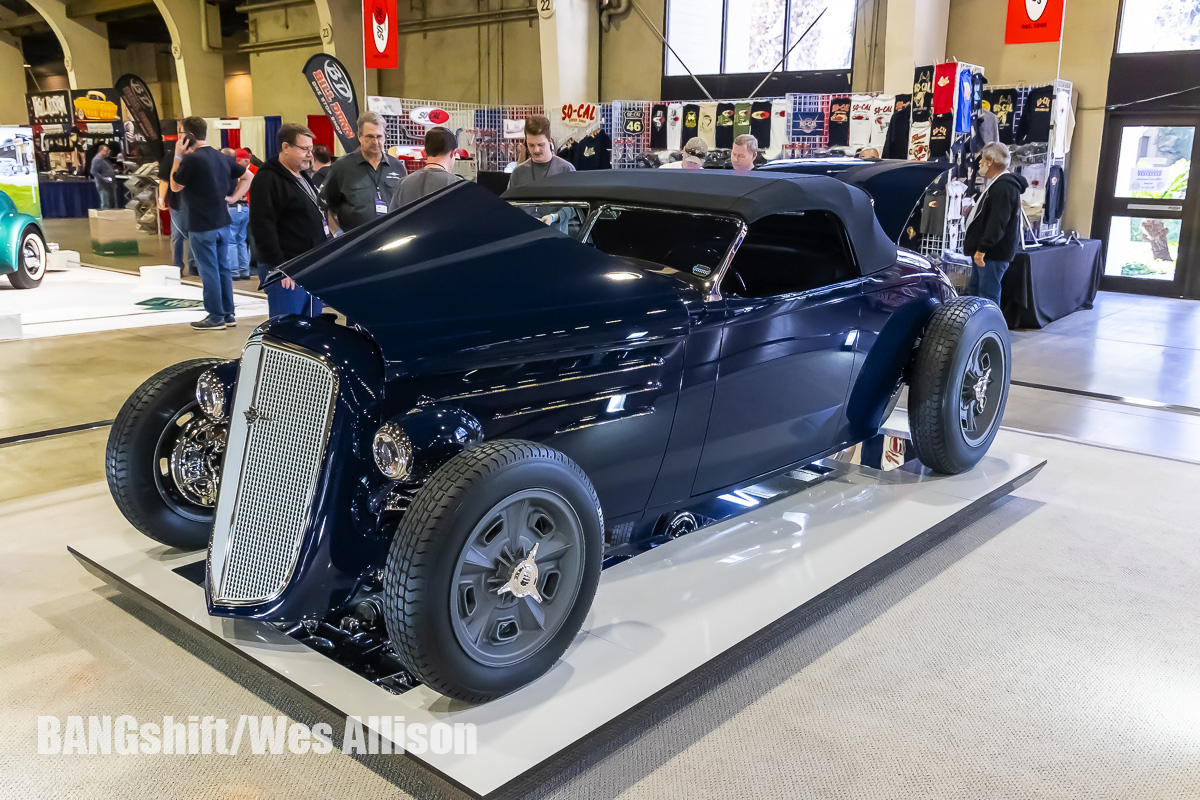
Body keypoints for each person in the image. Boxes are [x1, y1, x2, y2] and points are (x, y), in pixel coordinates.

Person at [170, 116, 254, 330]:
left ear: (188, 135)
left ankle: (215, 316)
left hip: (202, 224)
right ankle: (228, 314)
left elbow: (175, 186)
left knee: (209, 271)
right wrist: (234, 198)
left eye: (181, 134)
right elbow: (248, 176)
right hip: (222, 222)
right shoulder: (222, 157)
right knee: (223, 268)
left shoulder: (192, 159)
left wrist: (178, 157)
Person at [249, 123, 327, 319]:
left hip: (310, 267)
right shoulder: (267, 179)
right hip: (287, 270)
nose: (310, 155)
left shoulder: (302, 177)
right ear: (285, 147)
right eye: (304, 149)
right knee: (288, 329)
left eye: (311, 149)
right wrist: (281, 267)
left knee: (311, 326)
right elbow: (263, 226)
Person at [962, 142, 1028, 305]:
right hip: (988, 252)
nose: (979, 162)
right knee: (976, 293)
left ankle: (989, 329)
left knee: (987, 296)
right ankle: (979, 329)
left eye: (982, 157)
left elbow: (997, 222)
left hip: (992, 253)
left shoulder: (1004, 186)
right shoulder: (999, 184)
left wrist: (982, 248)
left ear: (990, 160)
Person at [321, 111, 407, 234]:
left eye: (379, 136)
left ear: (385, 136)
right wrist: (337, 234)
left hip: (389, 239)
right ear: (359, 136)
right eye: (370, 137)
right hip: (355, 243)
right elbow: (325, 205)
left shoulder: (397, 167)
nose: (375, 142)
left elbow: (404, 205)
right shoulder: (342, 166)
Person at [388, 127, 464, 210]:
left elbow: (391, 220)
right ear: (453, 153)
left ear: (424, 153)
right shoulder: (459, 186)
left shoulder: (403, 184)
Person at [507, 114, 575, 188]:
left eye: (540, 144)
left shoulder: (566, 170)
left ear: (550, 141)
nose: (536, 150)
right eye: (531, 145)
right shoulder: (518, 173)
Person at [157, 140, 193, 276]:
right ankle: (177, 265)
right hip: (178, 201)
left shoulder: (198, 156)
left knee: (194, 234)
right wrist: (161, 198)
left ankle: (194, 264)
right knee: (178, 234)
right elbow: (165, 179)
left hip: (196, 201)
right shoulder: (171, 157)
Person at [226, 149, 255, 280]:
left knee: (231, 241)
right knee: (242, 241)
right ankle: (244, 270)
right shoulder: (246, 172)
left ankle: (234, 272)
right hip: (245, 207)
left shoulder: (231, 171)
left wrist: (231, 198)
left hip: (233, 207)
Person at [90, 143, 118, 209]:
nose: (108, 153)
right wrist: (103, 178)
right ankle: (105, 217)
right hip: (103, 185)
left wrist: (113, 171)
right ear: (102, 151)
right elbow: (93, 171)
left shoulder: (104, 160)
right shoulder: (97, 160)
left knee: (111, 204)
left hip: (109, 184)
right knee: (106, 204)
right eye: (107, 151)